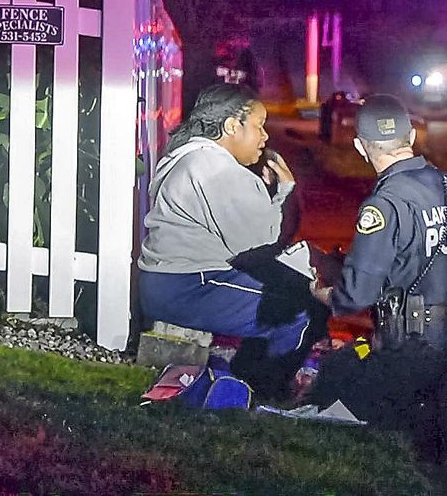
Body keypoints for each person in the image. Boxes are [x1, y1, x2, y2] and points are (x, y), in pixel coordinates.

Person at [306, 94, 447, 447]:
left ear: (359, 146)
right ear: (411, 137)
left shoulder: (384, 204)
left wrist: (323, 294)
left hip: (409, 350)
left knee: (337, 371)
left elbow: (356, 295)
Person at [138, 84, 324, 399]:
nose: (265, 136)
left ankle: (246, 377)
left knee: (287, 288)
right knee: (305, 307)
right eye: (259, 126)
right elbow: (266, 244)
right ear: (231, 126)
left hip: (171, 282)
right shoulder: (214, 169)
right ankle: (267, 390)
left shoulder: (190, 158)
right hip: (190, 287)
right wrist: (287, 192)